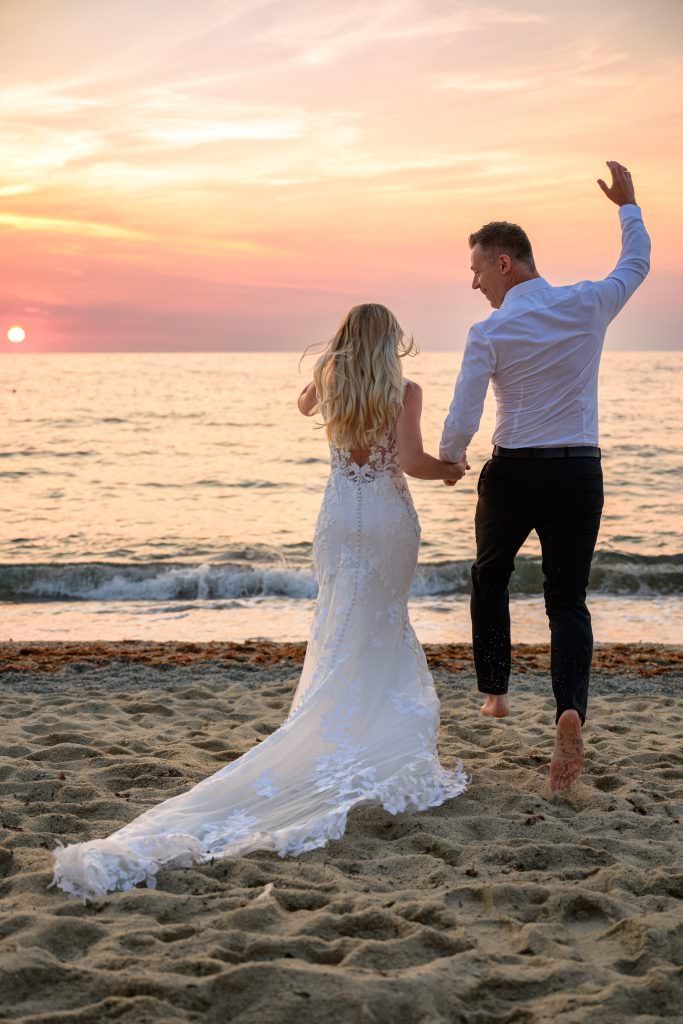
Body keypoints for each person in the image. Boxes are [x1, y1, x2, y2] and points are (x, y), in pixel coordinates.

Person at [49, 302, 469, 903]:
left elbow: (303, 404)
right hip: (386, 518)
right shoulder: (406, 391)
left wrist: (330, 364)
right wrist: (450, 471)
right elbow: (408, 463)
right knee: (383, 621)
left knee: (340, 621)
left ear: (347, 340)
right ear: (391, 343)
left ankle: (333, 721)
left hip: (337, 520)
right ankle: (373, 730)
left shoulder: (328, 379)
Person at [439, 161, 651, 792]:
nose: (474, 283)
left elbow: (464, 410)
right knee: (566, 600)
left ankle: (497, 692)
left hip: (513, 475)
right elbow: (634, 264)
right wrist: (628, 205)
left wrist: (451, 458)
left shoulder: (491, 329)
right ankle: (569, 712)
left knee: (490, 573)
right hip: (579, 472)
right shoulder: (587, 303)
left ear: (506, 263)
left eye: (478, 269)